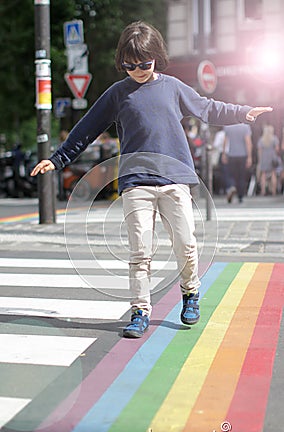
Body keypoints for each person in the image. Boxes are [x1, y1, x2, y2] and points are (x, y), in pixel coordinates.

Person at [31, 21, 272, 338]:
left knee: (185, 244)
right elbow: (86, 129)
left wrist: (243, 113)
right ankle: (140, 310)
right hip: (136, 183)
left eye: (144, 64)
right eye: (130, 66)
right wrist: (57, 158)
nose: (138, 71)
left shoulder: (172, 87)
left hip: (175, 179)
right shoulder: (118, 94)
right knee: (140, 251)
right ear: (123, 63)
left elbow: (208, 109)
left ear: (157, 56)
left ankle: (190, 293)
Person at [222, 123, 253, 203]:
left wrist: (224, 154)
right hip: (242, 155)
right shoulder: (245, 126)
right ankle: (240, 196)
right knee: (241, 176)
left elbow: (225, 140)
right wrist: (249, 157)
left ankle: (232, 186)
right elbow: (248, 142)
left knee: (231, 174)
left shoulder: (228, 125)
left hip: (232, 154)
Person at [257, 125, 280, 196]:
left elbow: (259, 151)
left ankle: (263, 191)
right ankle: (273, 191)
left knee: (263, 175)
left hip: (264, 158)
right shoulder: (274, 139)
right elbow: (277, 149)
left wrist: (260, 159)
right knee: (273, 174)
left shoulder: (261, 140)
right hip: (272, 158)